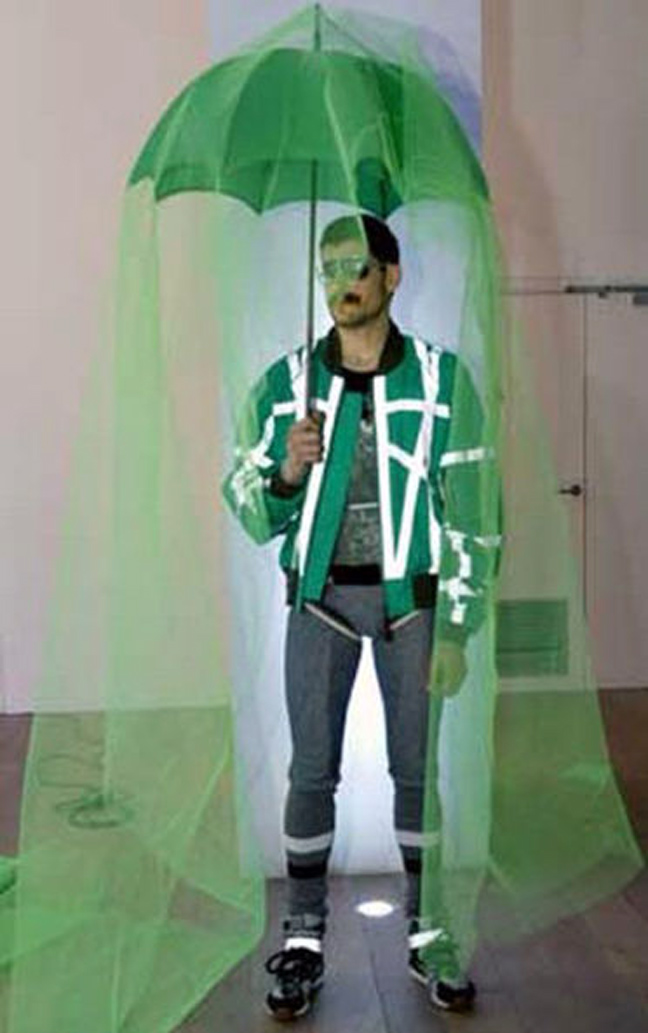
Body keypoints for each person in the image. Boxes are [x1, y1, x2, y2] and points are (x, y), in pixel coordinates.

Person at [223, 213, 496, 1020]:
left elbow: (475, 508)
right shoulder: (287, 384)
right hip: (322, 601)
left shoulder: (443, 380)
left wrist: (458, 625)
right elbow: (243, 499)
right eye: (329, 267)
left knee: (418, 772)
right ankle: (303, 938)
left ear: (391, 275)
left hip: (414, 604)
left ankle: (429, 931)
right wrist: (285, 470)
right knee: (311, 772)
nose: (341, 282)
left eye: (357, 266)